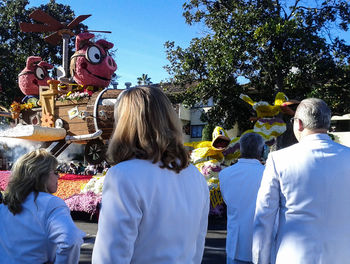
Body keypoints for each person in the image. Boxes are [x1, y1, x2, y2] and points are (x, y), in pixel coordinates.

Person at [92, 86, 210, 264]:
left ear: (124, 123)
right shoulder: (195, 176)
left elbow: (110, 256)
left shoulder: (123, 176)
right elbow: (197, 246)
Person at [252, 98, 350, 264]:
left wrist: (260, 260)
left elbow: (264, 217)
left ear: (298, 123)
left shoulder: (278, 159)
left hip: (293, 257)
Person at [0, 149, 85, 264]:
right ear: (41, 174)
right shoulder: (51, 203)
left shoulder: (5, 203)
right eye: (55, 172)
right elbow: (71, 240)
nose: (58, 176)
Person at [219, 132, 265, 264]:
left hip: (235, 243)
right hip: (262, 244)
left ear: (240, 148)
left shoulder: (225, 174)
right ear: (261, 150)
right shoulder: (268, 173)